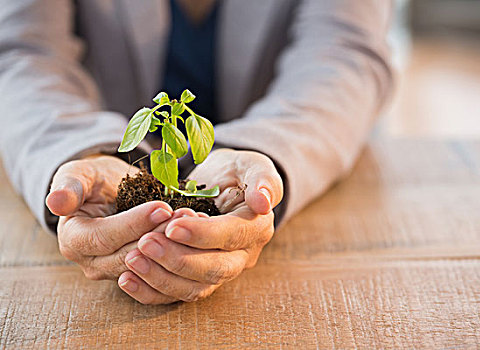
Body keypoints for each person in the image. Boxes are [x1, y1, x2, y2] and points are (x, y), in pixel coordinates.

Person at [0, 0, 393, 304]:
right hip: (103, 144)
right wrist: (87, 153)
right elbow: (21, 51)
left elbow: (346, 54)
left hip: (268, 164)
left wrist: (255, 153)